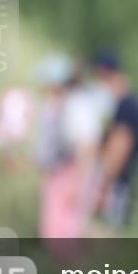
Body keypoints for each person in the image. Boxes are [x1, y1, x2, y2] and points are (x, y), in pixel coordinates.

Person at [32, 53, 104, 244]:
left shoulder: (77, 105)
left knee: (70, 234)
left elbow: (87, 146)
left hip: (73, 175)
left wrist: (77, 184)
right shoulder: (55, 106)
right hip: (58, 174)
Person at [92, 49, 138, 228]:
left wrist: (104, 187)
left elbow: (120, 147)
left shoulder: (125, 105)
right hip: (132, 182)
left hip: (122, 185)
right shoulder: (132, 102)